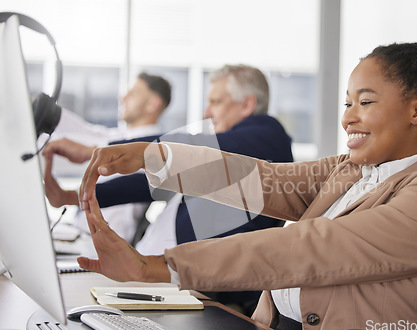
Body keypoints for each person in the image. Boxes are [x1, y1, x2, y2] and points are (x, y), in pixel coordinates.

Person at [77, 42, 417, 330]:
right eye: (347, 104)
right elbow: (261, 181)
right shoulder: (351, 170)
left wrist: (158, 267)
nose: (348, 119)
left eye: (365, 102)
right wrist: (154, 156)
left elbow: (311, 247)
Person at [44, 64, 294, 315]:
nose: (207, 112)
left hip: (193, 288)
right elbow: (149, 184)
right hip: (155, 274)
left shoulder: (268, 134)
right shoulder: (226, 157)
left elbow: (196, 144)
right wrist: (72, 197)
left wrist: (100, 149)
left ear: (247, 105)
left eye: (216, 102)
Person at [45, 72, 172, 243]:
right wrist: (45, 111)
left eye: (133, 93)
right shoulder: (119, 136)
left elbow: (94, 141)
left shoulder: (157, 147)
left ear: (152, 104)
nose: (123, 97)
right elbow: (86, 132)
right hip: (78, 233)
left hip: (100, 241)